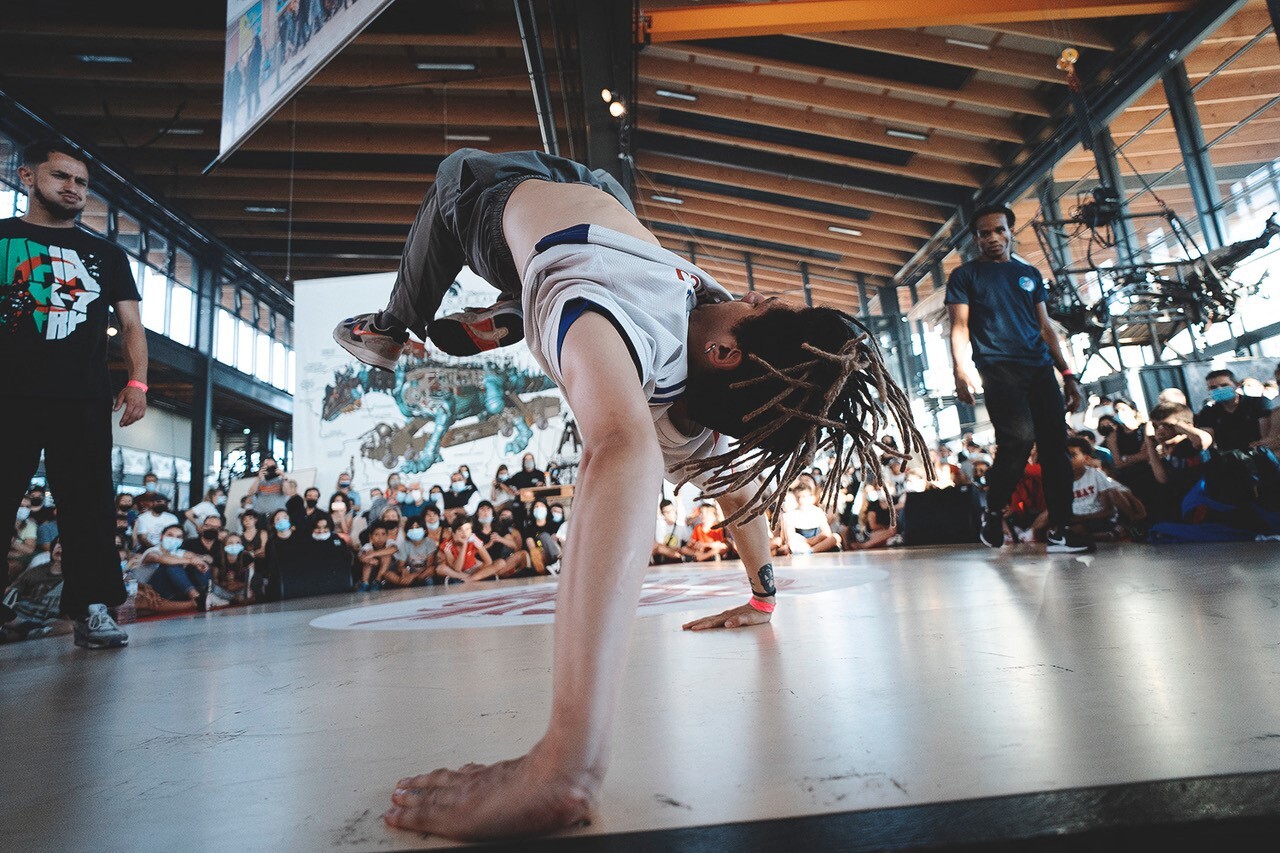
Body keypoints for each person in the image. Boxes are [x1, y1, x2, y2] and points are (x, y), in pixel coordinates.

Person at [331, 148, 923, 840]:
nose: (751, 293)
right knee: (603, 263)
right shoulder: (704, 429)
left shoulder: (597, 306)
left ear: (726, 351)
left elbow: (620, 445)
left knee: (453, 173)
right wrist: (763, 595)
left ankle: (392, 327)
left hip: (526, 209)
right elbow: (741, 500)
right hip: (607, 208)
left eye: (758, 303)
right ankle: (517, 302)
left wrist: (567, 764)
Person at [1, 140, 146, 649]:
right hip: (8, 396)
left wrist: (138, 382)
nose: (72, 188)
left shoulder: (105, 254)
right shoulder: (1, 238)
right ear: (26, 177)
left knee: (89, 507)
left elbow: (131, 325)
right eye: (61, 177)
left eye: (81, 182)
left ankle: (91, 609)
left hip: (81, 398)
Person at [947, 202, 1092, 554]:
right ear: (976, 240)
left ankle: (1059, 528)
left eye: (999, 230)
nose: (993, 238)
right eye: (984, 234)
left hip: (1039, 368)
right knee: (1018, 439)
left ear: (1011, 232)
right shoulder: (965, 276)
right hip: (998, 368)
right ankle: (994, 510)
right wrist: (960, 371)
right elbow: (960, 326)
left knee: (1055, 448)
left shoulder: (1028, 275)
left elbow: (1046, 328)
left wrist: (1068, 375)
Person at [1194, 369, 1271, 452]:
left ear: (1236, 385)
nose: (1219, 389)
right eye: (1213, 387)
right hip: (1229, 457)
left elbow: (1266, 433)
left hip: (1258, 452)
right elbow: (1208, 438)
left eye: (1224, 385)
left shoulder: (1257, 403)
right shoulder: (1208, 412)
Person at [382, 516, 437, 587]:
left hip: (423, 574)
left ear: (424, 530)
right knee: (388, 574)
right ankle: (406, 583)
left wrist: (413, 576)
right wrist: (404, 571)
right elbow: (400, 565)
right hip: (409, 573)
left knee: (431, 570)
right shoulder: (405, 544)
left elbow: (429, 565)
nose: (414, 530)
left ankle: (407, 584)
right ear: (407, 531)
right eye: (411, 528)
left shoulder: (429, 543)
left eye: (417, 527)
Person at [356, 521, 398, 591]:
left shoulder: (390, 542)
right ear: (371, 537)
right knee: (368, 561)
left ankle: (377, 581)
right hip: (372, 572)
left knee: (386, 555)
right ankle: (364, 583)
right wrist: (369, 560)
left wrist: (374, 554)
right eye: (376, 534)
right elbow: (361, 557)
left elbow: (393, 550)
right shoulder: (368, 546)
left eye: (383, 534)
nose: (380, 538)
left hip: (388, 571)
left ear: (387, 536)